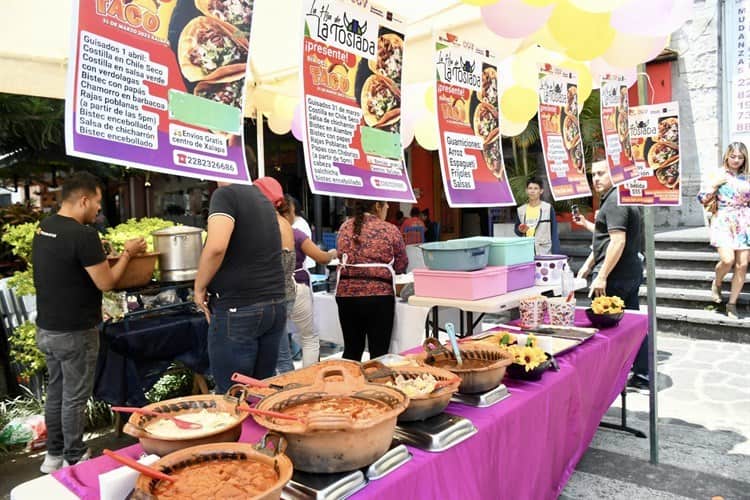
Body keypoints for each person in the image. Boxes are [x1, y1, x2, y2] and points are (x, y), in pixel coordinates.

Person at [33, 172, 146, 473]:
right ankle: (75, 456)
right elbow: (106, 282)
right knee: (74, 397)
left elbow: (66, 269)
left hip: (47, 329)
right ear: (83, 200)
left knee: (56, 392)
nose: (99, 209)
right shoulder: (83, 236)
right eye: (96, 202)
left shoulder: (44, 227)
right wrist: (127, 254)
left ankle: (53, 457)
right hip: (75, 331)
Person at [193, 180, 286, 392]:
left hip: (239, 309)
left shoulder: (225, 195)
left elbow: (216, 247)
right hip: (274, 305)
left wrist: (199, 288)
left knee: (233, 396)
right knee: (259, 393)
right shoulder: (262, 198)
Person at [577, 162, 647, 389]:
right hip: (628, 271)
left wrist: (602, 275)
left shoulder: (616, 201)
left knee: (604, 325)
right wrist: (589, 264)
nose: (595, 178)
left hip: (615, 275)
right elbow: (605, 238)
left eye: (600, 173)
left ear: (614, 174)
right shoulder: (619, 198)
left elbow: (618, 241)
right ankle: (642, 373)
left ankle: (605, 376)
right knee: (633, 323)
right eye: (593, 174)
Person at [336, 199, 408, 361]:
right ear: (377, 205)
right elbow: (402, 264)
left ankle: (351, 385)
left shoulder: (344, 227)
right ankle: (376, 385)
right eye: (386, 203)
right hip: (379, 297)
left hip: (346, 296)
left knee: (352, 351)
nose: (388, 206)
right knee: (379, 353)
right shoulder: (389, 229)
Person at [278, 194, 337, 366]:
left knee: (278, 342)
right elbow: (322, 258)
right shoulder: (295, 234)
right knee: (309, 337)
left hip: (271, 291)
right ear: (289, 211)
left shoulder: (265, 234)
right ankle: (309, 377)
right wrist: (333, 253)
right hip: (296, 288)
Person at [697, 142, 750, 318]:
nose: (736, 160)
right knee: (727, 260)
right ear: (727, 155)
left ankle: (732, 304)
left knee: (742, 265)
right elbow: (703, 198)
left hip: (744, 222)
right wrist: (714, 186)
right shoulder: (717, 174)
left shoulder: (747, 176)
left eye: (740, 157)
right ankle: (717, 282)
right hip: (723, 220)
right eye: (733, 156)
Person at [253, 177, 297, 373]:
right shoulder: (283, 222)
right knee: (280, 354)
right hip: (284, 294)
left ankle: (286, 396)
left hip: (273, 297)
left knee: (278, 356)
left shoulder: (267, 224)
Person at [513, 178, 561, 255]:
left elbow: (554, 232)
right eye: (530, 188)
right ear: (526, 190)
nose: (532, 191)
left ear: (541, 191)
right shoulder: (521, 210)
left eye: (536, 188)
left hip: (544, 251)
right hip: (526, 251)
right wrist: (520, 230)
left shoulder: (548, 208)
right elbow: (517, 231)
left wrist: (556, 253)